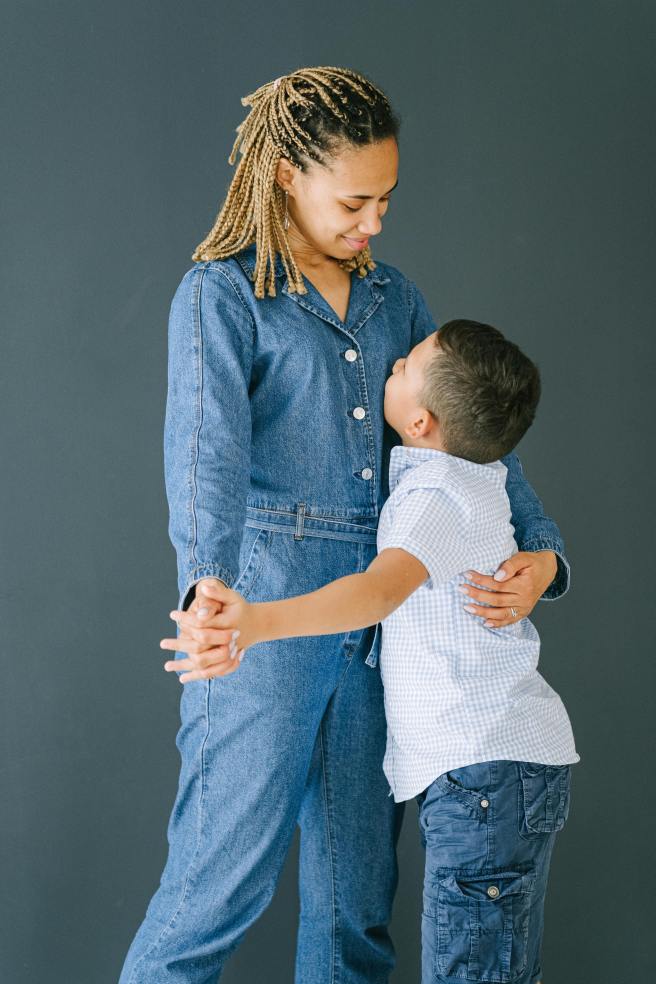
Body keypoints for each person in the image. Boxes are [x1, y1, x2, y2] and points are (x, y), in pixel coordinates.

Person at [120, 66, 570, 984]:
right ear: (287, 172)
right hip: (264, 617)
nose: (374, 223)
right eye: (355, 200)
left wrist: (544, 553)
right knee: (217, 888)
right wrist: (208, 589)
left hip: (383, 633)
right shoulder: (222, 295)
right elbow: (201, 451)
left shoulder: (395, 297)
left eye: (386, 202)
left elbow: (474, 440)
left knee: (356, 911)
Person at [166, 319, 579, 984]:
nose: (389, 367)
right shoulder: (478, 477)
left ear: (419, 422)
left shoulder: (434, 496)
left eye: (402, 368)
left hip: (480, 775)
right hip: (502, 770)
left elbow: (377, 593)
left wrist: (257, 621)